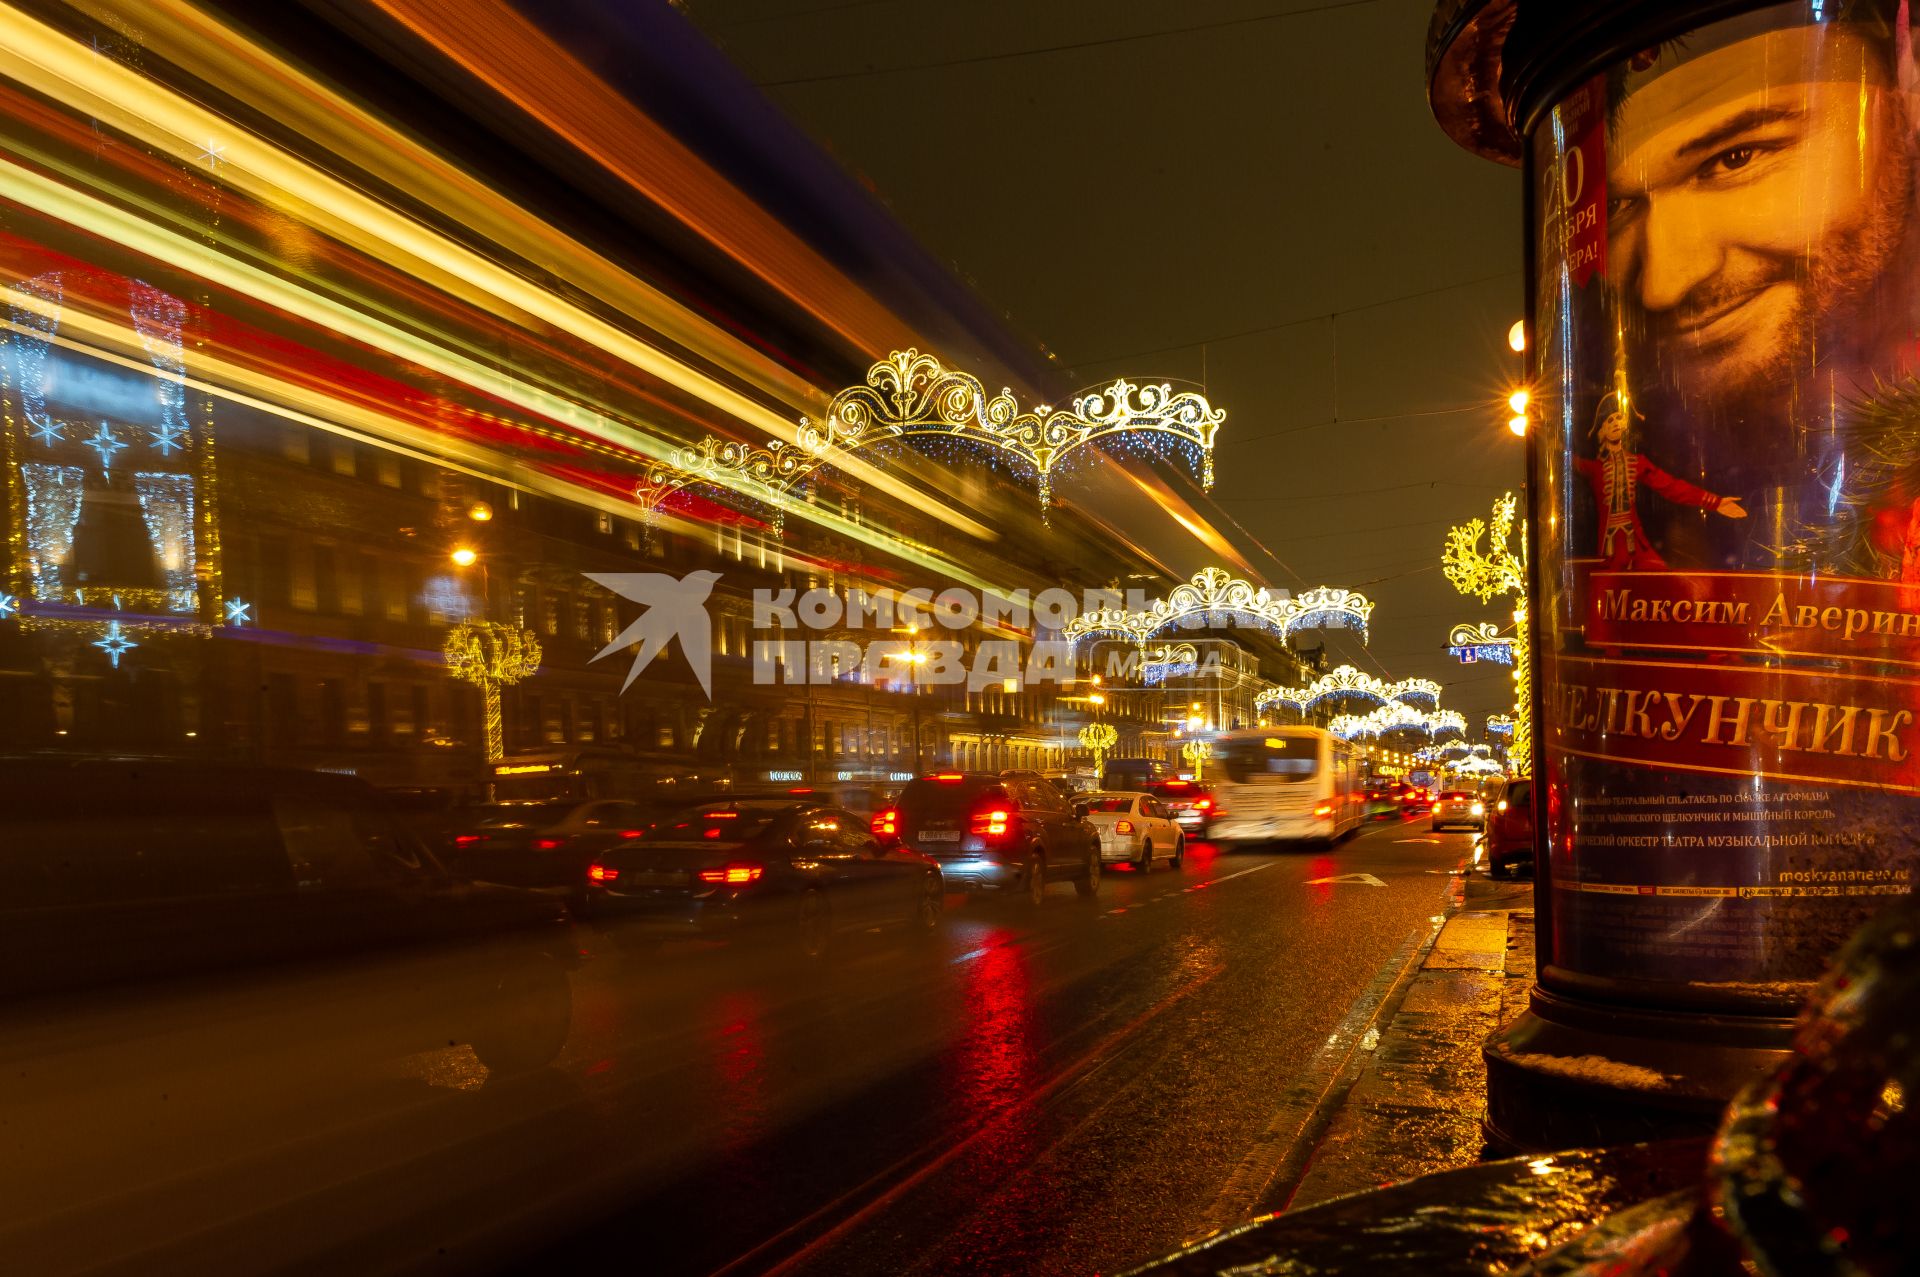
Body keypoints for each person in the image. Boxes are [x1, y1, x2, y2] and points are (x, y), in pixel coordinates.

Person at [1573, 390, 1745, 570]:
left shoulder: (1638, 462)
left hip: (1636, 544)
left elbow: (1671, 486)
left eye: (1618, 418)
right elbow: (1565, 460)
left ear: (1625, 423)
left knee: (1663, 581)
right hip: (1609, 549)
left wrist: (1716, 502)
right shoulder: (1594, 468)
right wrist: (1542, 433)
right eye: (1609, 421)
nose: (1615, 423)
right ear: (1602, 430)